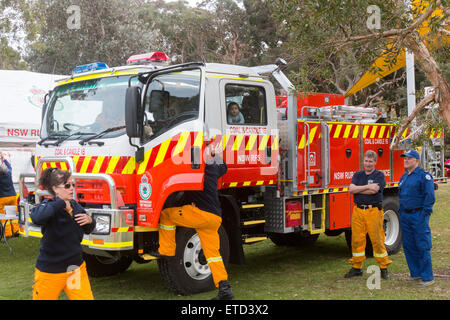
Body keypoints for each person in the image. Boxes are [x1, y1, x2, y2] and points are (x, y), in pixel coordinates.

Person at [151, 143, 234, 300]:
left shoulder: (193, 169)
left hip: (200, 215)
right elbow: (224, 167)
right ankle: (225, 288)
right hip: (215, 218)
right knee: (213, 255)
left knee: (166, 215)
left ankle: (167, 251)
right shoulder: (213, 167)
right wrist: (216, 154)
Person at [30, 168, 96, 300]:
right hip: (50, 271)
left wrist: (90, 221)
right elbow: (37, 218)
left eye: (73, 185)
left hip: (74, 268)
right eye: (67, 185)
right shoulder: (49, 205)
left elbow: (88, 229)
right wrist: (60, 203)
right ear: (55, 189)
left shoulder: (75, 206)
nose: (71, 188)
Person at [345, 150, 392, 279]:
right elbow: (351, 189)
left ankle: (383, 268)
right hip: (358, 211)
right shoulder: (358, 174)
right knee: (356, 240)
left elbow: (375, 190)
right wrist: (367, 187)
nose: (368, 163)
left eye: (371, 161)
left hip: (373, 211)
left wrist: (358, 190)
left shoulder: (379, 175)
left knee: (377, 240)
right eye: (366, 161)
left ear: (375, 162)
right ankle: (356, 268)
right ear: (363, 161)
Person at [398, 149, 436, 286]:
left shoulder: (423, 176)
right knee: (408, 245)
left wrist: (424, 213)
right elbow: (402, 195)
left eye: (408, 158)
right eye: (404, 158)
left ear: (416, 160)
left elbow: (430, 196)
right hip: (405, 215)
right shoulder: (404, 176)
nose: (405, 160)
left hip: (418, 215)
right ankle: (415, 273)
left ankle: (427, 277)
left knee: (422, 245)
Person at [0, 150, 19, 238]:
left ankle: (8, 234)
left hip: (2, 198)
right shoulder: (9, 173)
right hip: (12, 196)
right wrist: (3, 158)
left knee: (4, 217)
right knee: (12, 215)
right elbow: (9, 166)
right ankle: (16, 231)